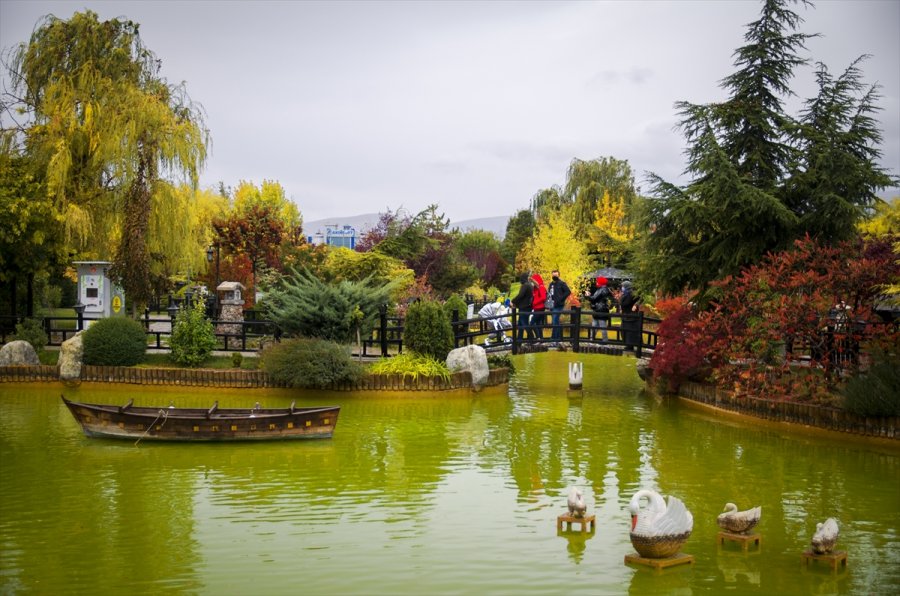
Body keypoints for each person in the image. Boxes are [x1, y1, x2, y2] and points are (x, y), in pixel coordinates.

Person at [584, 276, 614, 342]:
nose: (596, 282)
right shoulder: (603, 289)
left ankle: (604, 340)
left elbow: (594, 298)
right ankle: (592, 339)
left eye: (597, 281)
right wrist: (590, 296)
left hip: (600, 310)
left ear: (600, 282)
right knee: (595, 325)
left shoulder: (602, 289)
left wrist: (588, 296)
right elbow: (596, 298)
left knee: (601, 325)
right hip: (600, 309)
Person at [547, 269, 571, 341]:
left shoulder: (562, 283)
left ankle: (554, 338)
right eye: (553, 275)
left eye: (556, 275)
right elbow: (549, 294)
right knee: (555, 321)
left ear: (558, 275)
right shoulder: (551, 284)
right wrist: (548, 304)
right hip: (552, 305)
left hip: (559, 305)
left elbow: (568, 292)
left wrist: (561, 299)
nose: (554, 276)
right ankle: (558, 338)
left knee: (555, 320)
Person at [618, 280, 641, 350]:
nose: (622, 288)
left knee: (630, 332)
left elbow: (641, 298)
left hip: (631, 316)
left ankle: (630, 346)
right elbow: (622, 303)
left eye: (623, 286)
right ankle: (628, 345)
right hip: (625, 315)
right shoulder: (624, 294)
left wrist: (636, 305)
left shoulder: (632, 294)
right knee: (624, 331)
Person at [511, 272, 534, 340]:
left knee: (524, 323)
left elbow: (520, 295)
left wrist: (513, 301)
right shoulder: (530, 285)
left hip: (524, 307)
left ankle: (532, 338)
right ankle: (519, 340)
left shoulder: (525, 285)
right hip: (528, 306)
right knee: (521, 324)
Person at [529, 273, 547, 339]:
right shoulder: (535, 288)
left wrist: (535, 303)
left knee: (531, 324)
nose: (532, 283)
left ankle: (534, 338)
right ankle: (540, 339)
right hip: (536, 308)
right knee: (538, 324)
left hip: (540, 308)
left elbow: (543, 297)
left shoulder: (541, 287)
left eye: (533, 281)